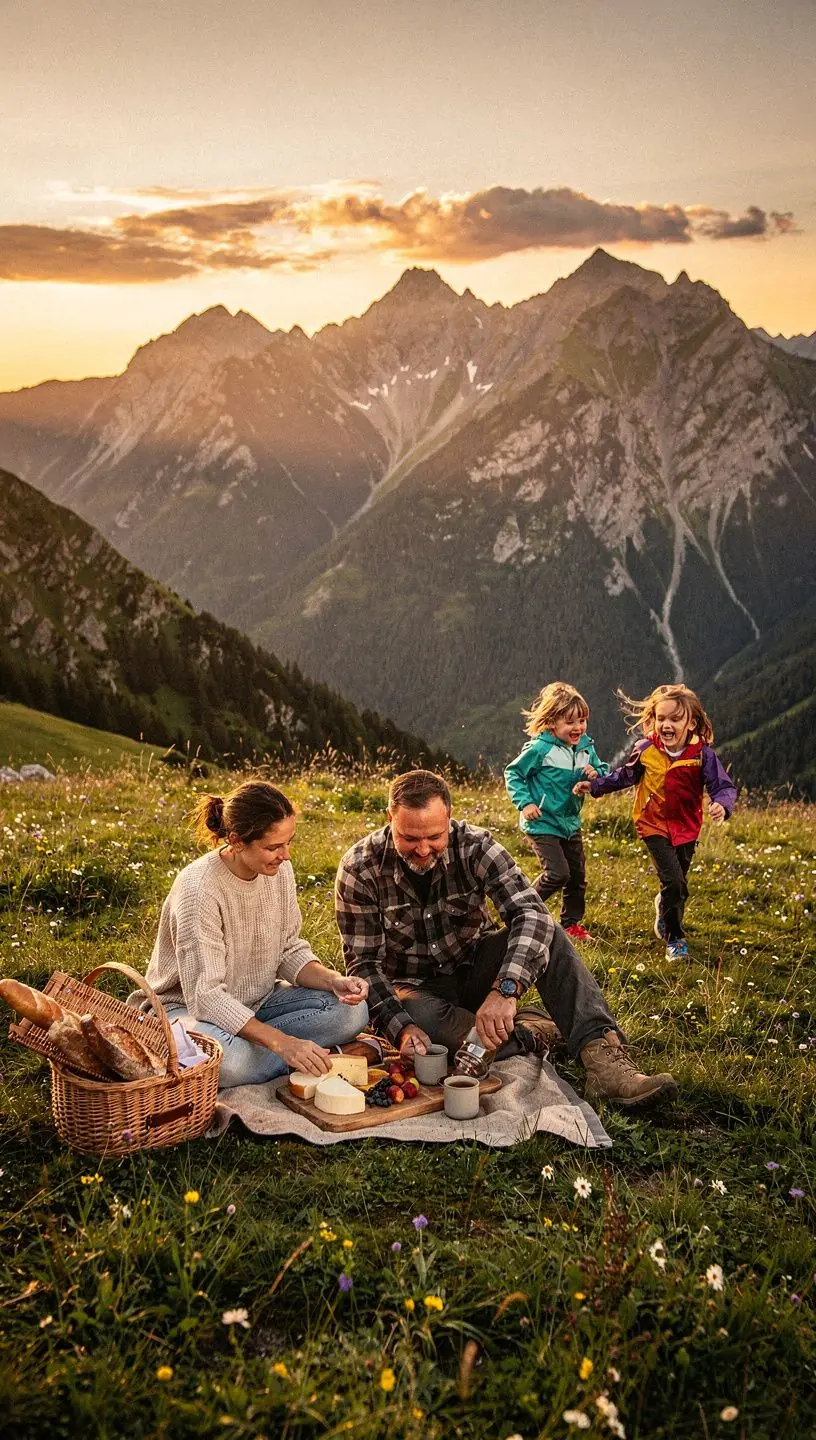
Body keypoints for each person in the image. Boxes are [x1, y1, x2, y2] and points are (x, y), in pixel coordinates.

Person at [335, 769, 678, 1107]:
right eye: (409, 838)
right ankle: (533, 1034)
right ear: (390, 819)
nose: (423, 850)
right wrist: (402, 1029)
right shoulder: (360, 868)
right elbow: (364, 964)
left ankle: (603, 1060)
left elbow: (531, 913)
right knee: (417, 1020)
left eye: (434, 837)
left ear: (450, 819)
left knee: (549, 931)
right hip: (417, 989)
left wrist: (506, 989)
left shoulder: (476, 846)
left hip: (480, 968)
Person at [142, 780, 369, 1088]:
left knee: (351, 1013)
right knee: (230, 1065)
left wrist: (334, 981)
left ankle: (276, 1053)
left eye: (289, 842)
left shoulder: (277, 870)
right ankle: (324, 1056)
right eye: (273, 847)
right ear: (236, 841)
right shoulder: (199, 890)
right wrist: (283, 1042)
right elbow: (206, 998)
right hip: (185, 1010)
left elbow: (289, 951)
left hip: (257, 1001)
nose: (285, 855)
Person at [575, 684, 737, 961]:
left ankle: (666, 908)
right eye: (661, 718)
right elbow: (625, 776)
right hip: (653, 824)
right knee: (674, 882)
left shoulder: (702, 754)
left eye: (675, 719)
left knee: (678, 884)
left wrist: (721, 804)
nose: (666, 725)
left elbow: (722, 785)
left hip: (686, 827)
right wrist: (596, 785)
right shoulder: (646, 749)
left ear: (691, 723)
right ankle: (675, 939)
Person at [504, 681, 608, 942]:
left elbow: (602, 770)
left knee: (577, 876)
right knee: (558, 873)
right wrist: (525, 803)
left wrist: (596, 775)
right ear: (552, 722)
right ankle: (522, 913)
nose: (578, 728)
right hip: (542, 822)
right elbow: (513, 773)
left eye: (582, 720)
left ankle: (571, 924)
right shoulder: (540, 748)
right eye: (570, 722)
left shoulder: (585, 747)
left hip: (570, 822)